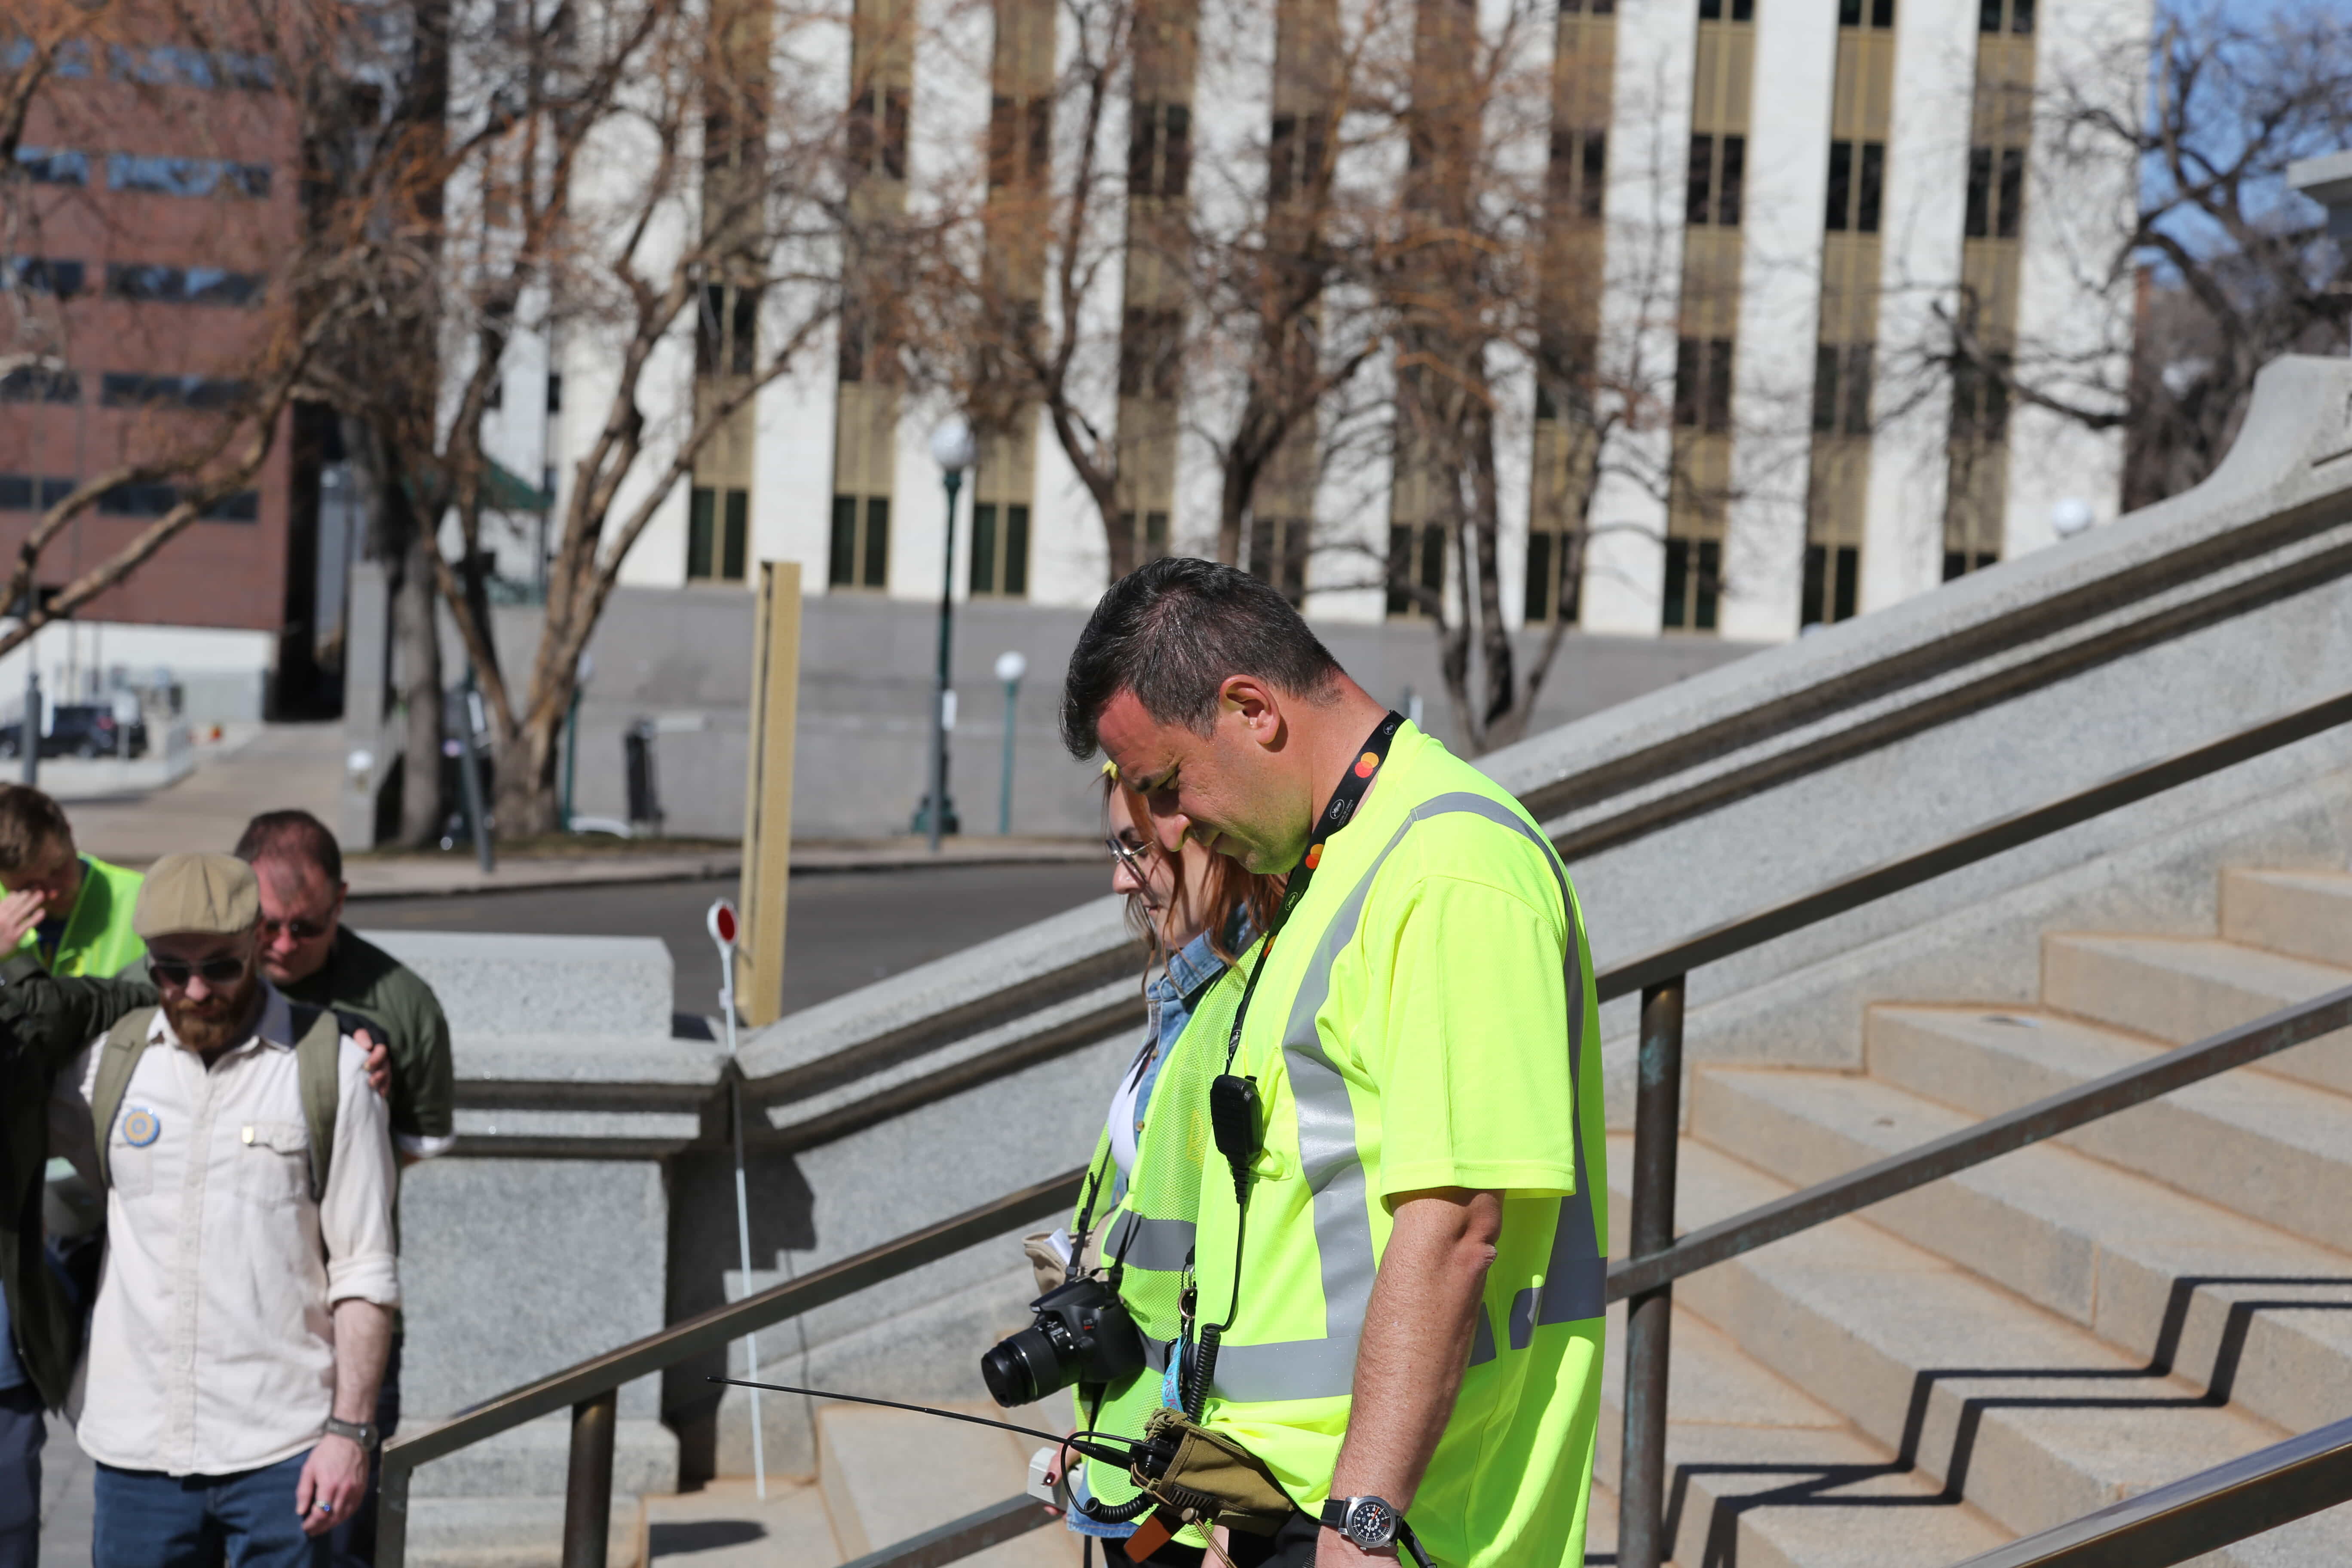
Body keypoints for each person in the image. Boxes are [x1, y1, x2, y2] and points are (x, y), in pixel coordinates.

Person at [1060, 558, 1606, 1568]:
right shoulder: (1333, 864)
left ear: (1252, 710)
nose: (1171, 827)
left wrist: (1360, 1519)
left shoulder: (1447, 870)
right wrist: (1216, 1507)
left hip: (1397, 1527)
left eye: (1169, 785)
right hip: (1285, 1505)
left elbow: (1455, 1228)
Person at [48, 853, 399, 1568]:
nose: (196, 989)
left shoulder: (332, 1070)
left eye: (220, 967)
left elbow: (365, 1270)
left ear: (258, 945)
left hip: (284, 1448)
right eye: (171, 970)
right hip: (137, 1448)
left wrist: (351, 1433)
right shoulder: (106, 1067)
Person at [1038, 773, 1280, 1562]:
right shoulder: (1190, 996)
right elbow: (1150, 1268)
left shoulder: (1244, 1004)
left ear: (1205, 832)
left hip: (1188, 1484)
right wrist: (1098, 1424)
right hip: (1141, 1456)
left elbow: (1247, 1282)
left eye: (1135, 848)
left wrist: (1219, 1503)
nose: (1121, 880)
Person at [0, 784, 144, 978]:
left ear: (69, 833)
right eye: (30, 886)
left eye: (58, 869)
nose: (53, 893)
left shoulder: (143, 898)